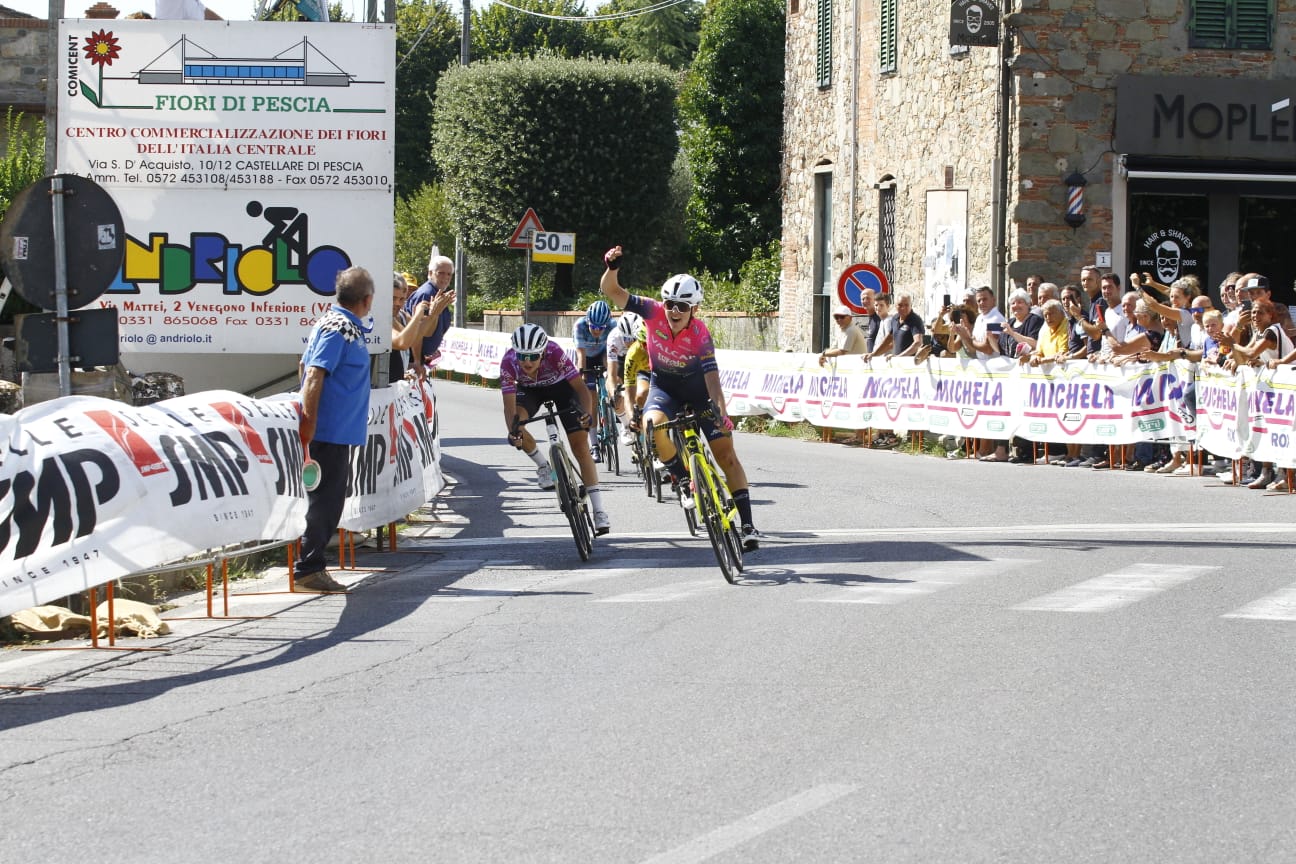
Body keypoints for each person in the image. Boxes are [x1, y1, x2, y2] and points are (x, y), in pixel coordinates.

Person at [599, 245, 763, 550]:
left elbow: (713, 380)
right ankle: (683, 480)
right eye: (671, 304)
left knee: (726, 455)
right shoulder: (651, 311)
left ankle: (749, 524)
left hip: (698, 390)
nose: (674, 311)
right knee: (651, 425)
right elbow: (611, 290)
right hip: (665, 388)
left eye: (682, 307)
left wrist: (720, 411)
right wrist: (613, 265)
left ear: (694, 310)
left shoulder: (701, 334)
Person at [294, 267, 376, 593]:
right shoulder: (338, 329)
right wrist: (309, 423)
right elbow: (313, 373)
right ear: (367, 300)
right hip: (328, 432)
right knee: (325, 505)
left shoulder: (340, 325)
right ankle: (308, 570)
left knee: (328, 502)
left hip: (337, 431)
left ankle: (310, 567)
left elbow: (303, 366)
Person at [500, 323, 610, 534]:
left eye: (533, 356)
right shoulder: (508, 362)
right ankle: (543, 466)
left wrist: (586, 414)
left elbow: (581, 388)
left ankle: (599, 511)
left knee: (580, 447)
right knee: (518, 427)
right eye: (522, 356)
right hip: (530, 392)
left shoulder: (554, 352)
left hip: (562, 389)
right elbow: (509, 406)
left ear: (543, 351)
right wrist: (514, 432)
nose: (527, 361)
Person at [389, 272, 447, 384]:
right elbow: (403, 342)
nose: (397, 303)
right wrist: (417, 316)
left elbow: (420, 335)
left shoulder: (402, 315)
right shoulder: (382, 317)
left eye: (401, 299)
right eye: (393, 298)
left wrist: (433, 315)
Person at [574, 300, 614, 459]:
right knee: (591, 396)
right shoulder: (580, 326)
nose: (597, 331)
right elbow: (580, 354)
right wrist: (582, 374)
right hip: (586, 358)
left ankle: (613, 407)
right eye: (594, 327)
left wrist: (610, 374)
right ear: (588, 321)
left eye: (601, 328)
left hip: (604, 355)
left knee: (612, 377)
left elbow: (611, 353)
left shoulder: (613, 326)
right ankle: (594, 444)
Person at [404, 252, 457, 367]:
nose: (446, 278)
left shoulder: (438, 294)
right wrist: (417, 361)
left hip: (424, 358)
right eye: (441, 273)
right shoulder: (427, 294)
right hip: (413, 358)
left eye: (449, 274)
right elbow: (418, 332)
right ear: (430, 273)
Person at [606, 311, 643, 443]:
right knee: (616, 391)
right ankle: (625, 426)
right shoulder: (613, 338)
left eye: (633, 339)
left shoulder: (645, 332)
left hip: (639, 358)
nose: (630, 342)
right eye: (626, 339)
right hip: (621, 360)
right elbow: (611, 373)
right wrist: (613, 393)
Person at [863, 292, 924, 360]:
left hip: (909, 364)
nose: (903, 308)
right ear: (895, 306)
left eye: (906, 305)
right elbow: (889, 339)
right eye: (900, 305)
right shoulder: (895, 318)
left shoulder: (915, 320)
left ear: (911, 305)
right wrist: (874, 354)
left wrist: (899, 357)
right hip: (895, 363)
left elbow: (918, 343)